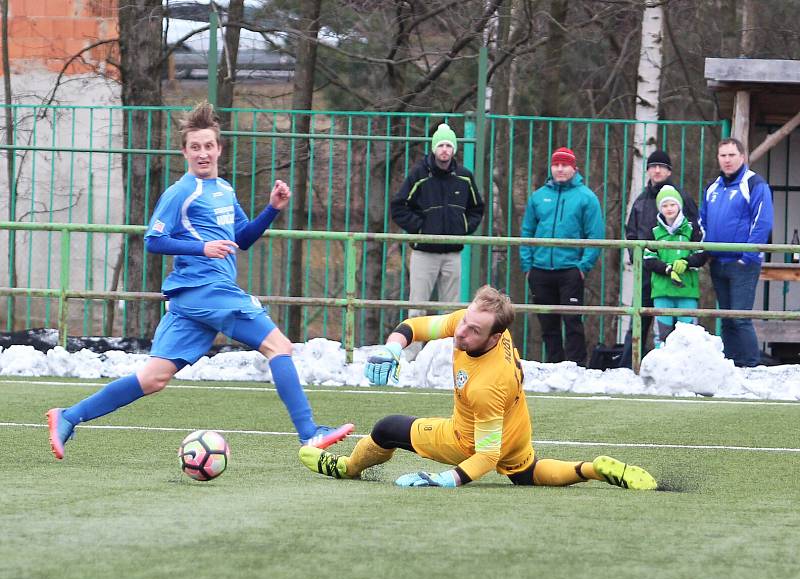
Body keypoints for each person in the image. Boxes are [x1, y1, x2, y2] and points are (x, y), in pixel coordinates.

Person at [46, 101, 353, 460]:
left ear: (219, 148)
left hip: (193, 301)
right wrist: (201, 247)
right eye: (195, 147)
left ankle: (68, 416)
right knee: (279, 347)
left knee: (153, 378)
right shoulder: (181, 191)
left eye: (209, 145)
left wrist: (271, 209)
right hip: (207, 290)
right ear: (185, 152)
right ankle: (309, 433)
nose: (203, 153)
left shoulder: (223, 188)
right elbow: (153, 240)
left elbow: (243, 239)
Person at [298, 285, 657, 491]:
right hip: (517, 432)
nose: (461, 333)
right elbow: (416, 326)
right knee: (526, 474)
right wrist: (392, 348)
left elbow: (485, 456)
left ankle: (346, 467)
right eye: (464, 322)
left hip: (467, 440)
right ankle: (590, 469)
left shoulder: (488, 382)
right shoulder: (476, 323)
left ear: (495, 336)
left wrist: (444, 479)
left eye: (472, 331)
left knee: (386, 428)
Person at [390, 123, 484, 324]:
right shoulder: (419, 174)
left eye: (449, 146)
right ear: (434, 148)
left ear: (454, 149)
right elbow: (398, 206)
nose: (444, 150)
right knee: (417, 308)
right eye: (440, 145)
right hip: (424, 253)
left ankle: (447, 352)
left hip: (453, 253)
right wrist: (420, 228)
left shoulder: (464, 177)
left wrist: (463, 227)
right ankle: (411, 354)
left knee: (451, 312)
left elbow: (477, 208)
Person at [519, 147, 605, 366]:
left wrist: (582, 267)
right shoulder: (538, 197)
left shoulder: (587, 198)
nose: (560, 169)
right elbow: (527, 231)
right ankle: (554, 366)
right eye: (556, 165)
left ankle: (576, 367)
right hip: (540, 270)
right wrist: (528, 265)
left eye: (564, 165)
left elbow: (595, 235)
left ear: (574, 168)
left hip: (570, 270)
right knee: (548, 324)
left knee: (572, 321)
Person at [620, 149, 700, 368]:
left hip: (678, 273)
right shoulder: (640, 200)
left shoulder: (682, 197)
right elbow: (632, 233)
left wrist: (685, 262)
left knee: (681, 323)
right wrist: (639, 261)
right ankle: (630, 366)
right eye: (653, 166)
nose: (657, 170)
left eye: (662, 166)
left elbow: (696, 234)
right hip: (648, 271)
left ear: (669, 170)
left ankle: (683, 367)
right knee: (641, 318)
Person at [700, 138, 773, 367]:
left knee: (740, 318)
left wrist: (748, 256)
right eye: (723, 155)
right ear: (718, 158)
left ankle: (751, 366)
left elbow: (763, 222)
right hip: (717, 261)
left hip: (743, 263)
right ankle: (731, 366)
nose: (727, 160)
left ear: (742, 156)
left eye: (732, 155)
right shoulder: (712, 187)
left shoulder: (755, 184)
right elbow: (702, 220)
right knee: (727, 319)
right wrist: (706, 249)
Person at [643, 185, 707, 344]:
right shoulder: (653, 232)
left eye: (672, 204)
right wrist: (667, 268)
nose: (669, 208)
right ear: (659, 208)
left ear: (679, 205)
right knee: (662, 337)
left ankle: (687, 367)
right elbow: (648, 258)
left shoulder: (693, 230)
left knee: (689, 338)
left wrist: (686, 262)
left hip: (686, 290)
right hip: (662, 290)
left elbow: (701, 254)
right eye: (664, 205)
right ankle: (661, 367)